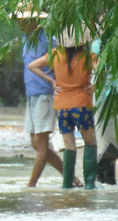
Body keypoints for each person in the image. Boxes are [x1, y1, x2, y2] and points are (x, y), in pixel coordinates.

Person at [29, 29, 101, 190]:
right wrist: (94, 86)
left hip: (62, 106)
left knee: (69, 146)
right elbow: (103, 70)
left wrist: (52, 81)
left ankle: (67, 186)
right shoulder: (88, 56)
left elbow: (32, 66)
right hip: (82, 104)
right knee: (90, 142)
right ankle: (90, 185)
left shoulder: (55, 54)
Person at [15, 5, 64, 187]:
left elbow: (59, 60)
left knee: (41, 144)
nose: (20, 24)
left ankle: (31, 185)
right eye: (19, 21)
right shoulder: (26, 39)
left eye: (23, 20)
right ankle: (71, 178)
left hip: (44, 94)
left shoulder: (47, 40)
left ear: (33, 20)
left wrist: (56, 83)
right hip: (32, 95)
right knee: (36, 143)